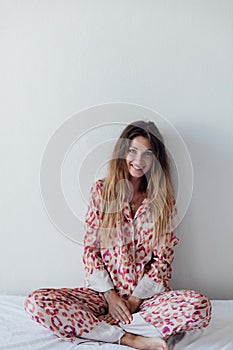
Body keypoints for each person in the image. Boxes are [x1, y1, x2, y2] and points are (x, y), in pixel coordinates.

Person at [25, 120, 211, 350]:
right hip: (101, 297)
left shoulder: (163, 202)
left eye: (148, 154)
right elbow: (90, 251)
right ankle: (127, 337)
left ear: (156, 160)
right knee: (36, 303)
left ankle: (102, 329)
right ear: (122, 152)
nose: (139, 160)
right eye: (133, 151)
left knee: (199, 306)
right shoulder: (102, 192)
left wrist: (133, 301)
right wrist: (111, 297)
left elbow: (163, 261)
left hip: (146, 301)